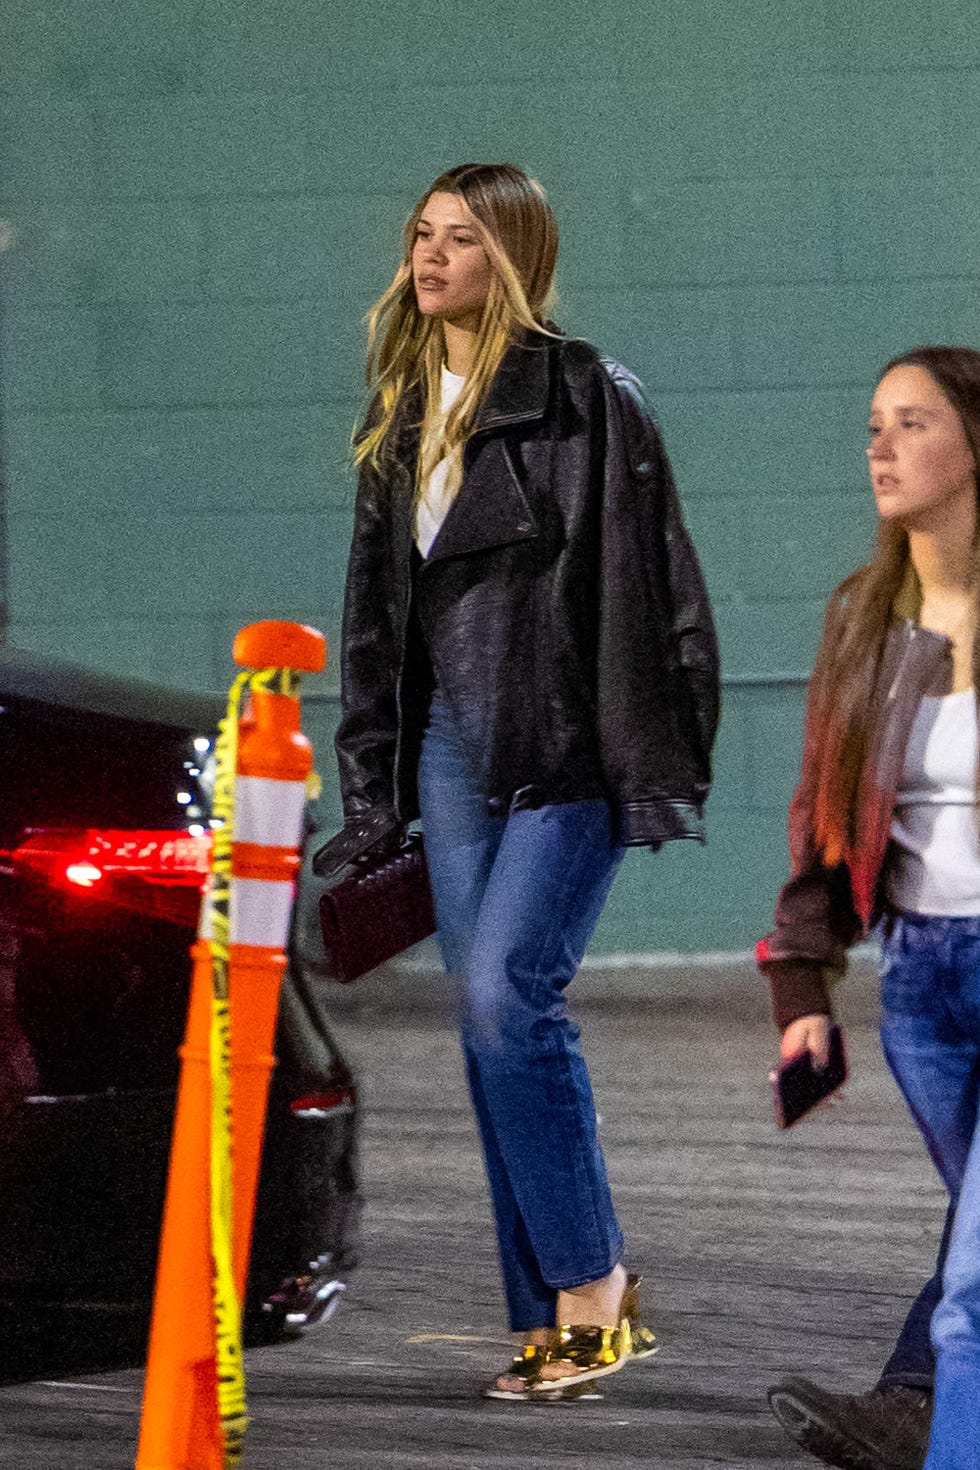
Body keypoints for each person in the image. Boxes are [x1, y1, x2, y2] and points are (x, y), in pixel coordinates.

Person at [322, 162, 719, 1400]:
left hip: (562, 744)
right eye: (419, 237)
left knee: (507, 1003)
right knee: (491, 1034)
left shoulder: (588, 396)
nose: (428, 259)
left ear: (513, 260)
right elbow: (377, 620)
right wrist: (375, 787)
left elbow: (655, 598)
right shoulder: (399, 411)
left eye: (458, 240)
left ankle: (593, 1283)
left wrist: (641, 768)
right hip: (448, 753)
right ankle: (543, 1316)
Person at [758, 346, 980, 1469]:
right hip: (924, 989)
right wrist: (800, 985)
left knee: (973, 1292)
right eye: (870, 425)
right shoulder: (863, 617)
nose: (878, 448)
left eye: (910, 422)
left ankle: (919, 1414)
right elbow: (825, 816)